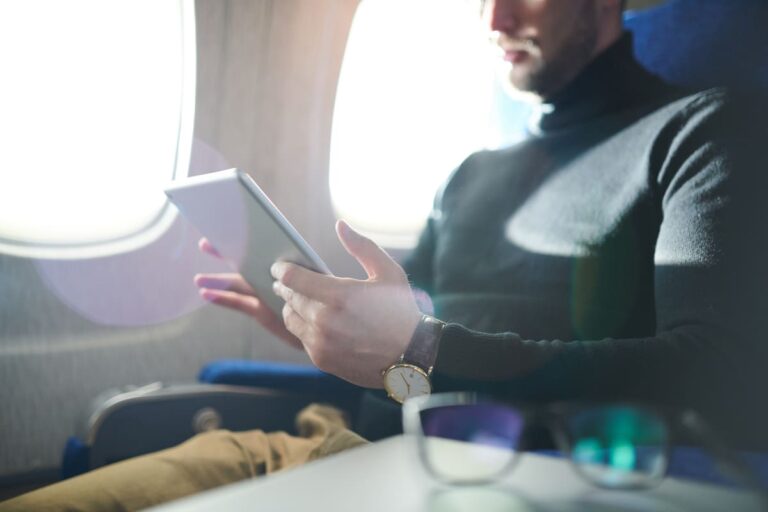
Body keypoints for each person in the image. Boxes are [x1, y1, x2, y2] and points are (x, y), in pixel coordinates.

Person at [3, 0, 766, 509]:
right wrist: (333, 341)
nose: (494, 16)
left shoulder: (700, 132)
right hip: (323, 443)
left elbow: (716, 371)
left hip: (493, 478)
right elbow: (417, 375)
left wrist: (420, 344)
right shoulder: (472, 173)